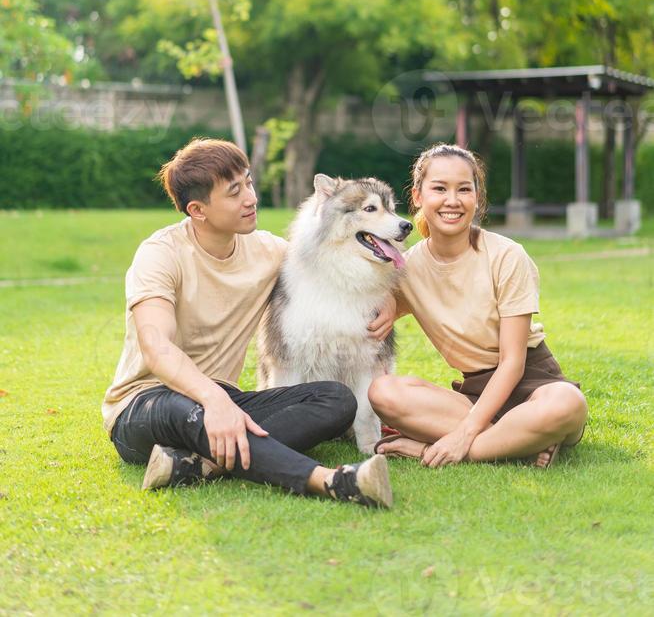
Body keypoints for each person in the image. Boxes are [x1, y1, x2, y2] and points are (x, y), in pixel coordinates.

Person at [102, 137, 394, 508]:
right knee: (187, 410)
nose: (251, 198)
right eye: (234, 191)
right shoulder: (160, 254)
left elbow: (333, 265)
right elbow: (157, 347)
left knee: (334, 399)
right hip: (147, 404)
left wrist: (390, 297)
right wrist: (211, 399)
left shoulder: (269, 252)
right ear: (198, 209)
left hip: (224, 398)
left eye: (249, 182)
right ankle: (334, 481)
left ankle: (199, 466)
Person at [369, 143, 587, 469]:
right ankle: (521, 443)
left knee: (568, 403)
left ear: (477, 197)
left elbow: (513, 362)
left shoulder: (507, 256)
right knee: (384, 392)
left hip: (533, 384)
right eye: (439, 188)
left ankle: (442, 448)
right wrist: (385, 297)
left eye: (464, 190)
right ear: (418, 196)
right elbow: (374, 302)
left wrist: (465, 433)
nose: (452, 201)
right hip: (474, 393)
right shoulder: (406, 268)